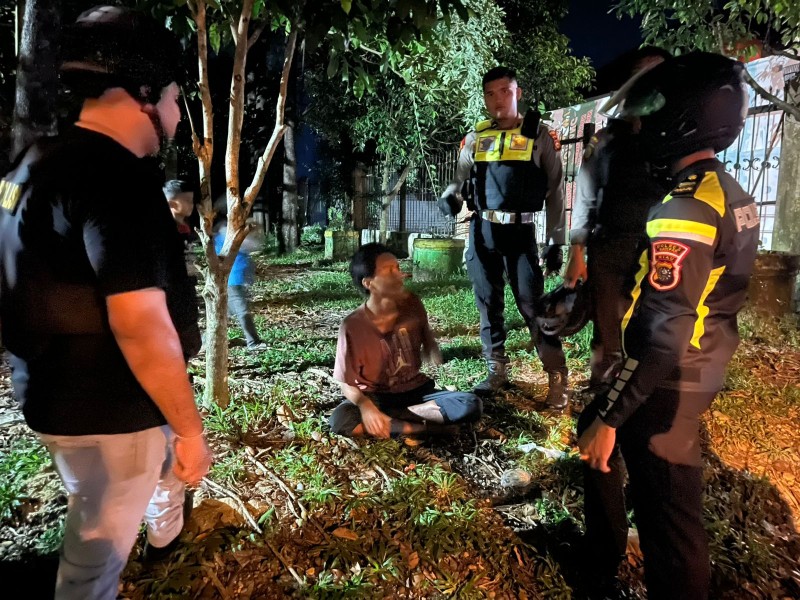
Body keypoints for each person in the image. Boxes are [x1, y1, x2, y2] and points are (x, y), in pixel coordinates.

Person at [0, 7, 212, 599]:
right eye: (174, 98)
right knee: (92, 570)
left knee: (126, 495)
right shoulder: (118, 178)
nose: (177, 114)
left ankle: (163, 535)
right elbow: (140, 325)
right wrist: (190, 431)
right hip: (113, 411)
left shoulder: (35, 163)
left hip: (52, 395)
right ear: (143, 93)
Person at [577, 52, 758, 600]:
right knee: (616, 453)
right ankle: (602, 557)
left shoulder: (684, 207)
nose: (643, 124)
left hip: (669, 378)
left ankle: (609, 566)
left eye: (653, 111)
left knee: (671, 525)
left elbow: (663, 328)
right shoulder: (729, 191)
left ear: (680, 119)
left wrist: (613, 415)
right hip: (698, 364)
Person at [438, 66, 568, 408]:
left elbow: (556, 190)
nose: (498, 100)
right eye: (490, 93)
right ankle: (496, 369)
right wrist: (450, 196)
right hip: (482, 231)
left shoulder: (539, 136)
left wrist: (555, 240)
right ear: (484, 98)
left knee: (533, 306)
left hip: (520, 233)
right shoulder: (475, 137)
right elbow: (458, 180)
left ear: (517, 93)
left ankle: (557, 375)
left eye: (505, 91)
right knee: (488, 303)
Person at [564, 47, 672, 398]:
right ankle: (602, 393)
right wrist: (576, 252)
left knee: (654, 325)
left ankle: (645, 394)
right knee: (607, 324)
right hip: (610, 246)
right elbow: (584, 197)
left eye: (659, 73)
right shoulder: (606, 139)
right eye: (642, 74)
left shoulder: (675, 136)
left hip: (661, 249)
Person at [329, 243, 482, 442]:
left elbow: (428, 341)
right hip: (375, 396)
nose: (400, 275)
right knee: (341, 421)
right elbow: (345, 383)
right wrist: (366, 406)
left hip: (415, 392)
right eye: (389, 270)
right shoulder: (353, 325)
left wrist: (431, 349)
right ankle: (424, 428)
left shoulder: (412, 303)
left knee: (469, 404)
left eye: (398, 268)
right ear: (369, 283)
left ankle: (394, 420)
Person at [213, 217, 267, 350]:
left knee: (223, 316)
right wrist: (251, 230)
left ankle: (205, 341)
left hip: (234, 281)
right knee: (243, 312)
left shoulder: (228, 237)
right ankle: (253, 343)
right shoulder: (230, 237)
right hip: (233, 281)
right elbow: (255, 245)